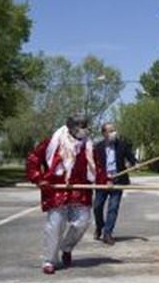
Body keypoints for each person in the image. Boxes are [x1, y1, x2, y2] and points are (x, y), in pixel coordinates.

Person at [26, 115, 106, 275]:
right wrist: (38, 178)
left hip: (80, 192)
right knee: (55, 226)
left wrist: (106, 181)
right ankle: (49, 260)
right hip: (57, 192)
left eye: (85, 126)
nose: (85, 129)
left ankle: (67, 247)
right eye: (81, 126)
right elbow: (33, 159)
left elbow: (97, 168)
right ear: (72, 128)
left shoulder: (89, 147)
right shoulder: (53, 143)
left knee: (83, 222)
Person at [93, 123, 137, 245]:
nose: (114, 133)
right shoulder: (97, 147)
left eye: (114, 130)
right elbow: (93, 165)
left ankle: (107, 233)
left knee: (113, 208)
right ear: (104, 133)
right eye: (110, 131)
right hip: (102, 182)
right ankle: (99, 226)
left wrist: (133, 164)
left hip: (118, 180)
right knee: (97, 206)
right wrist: (104, 179)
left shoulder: (122, 145)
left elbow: (131, 158)